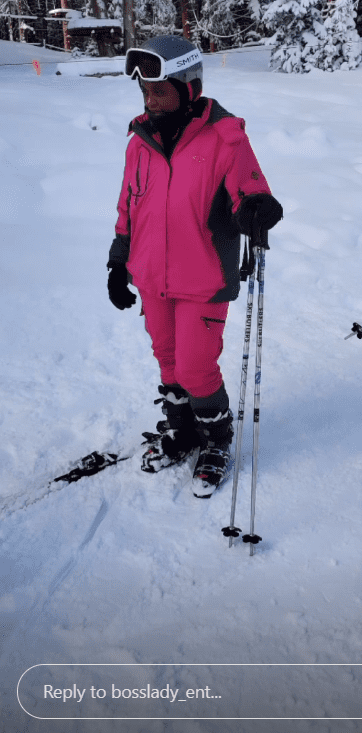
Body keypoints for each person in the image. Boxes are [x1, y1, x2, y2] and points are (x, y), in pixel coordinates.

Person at [108, 35, 283, 497]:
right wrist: (118, 261)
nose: (151, 101)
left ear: (189, 87)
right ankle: (182, 431)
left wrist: (256, 208)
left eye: (160, 90)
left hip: (203, 276)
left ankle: (216, 441)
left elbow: (250, 187)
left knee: (195, 365)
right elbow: (129, 205)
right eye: (145, 92)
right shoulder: (139, 142)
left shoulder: (224, 135)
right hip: (150, 276)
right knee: (168, 361)